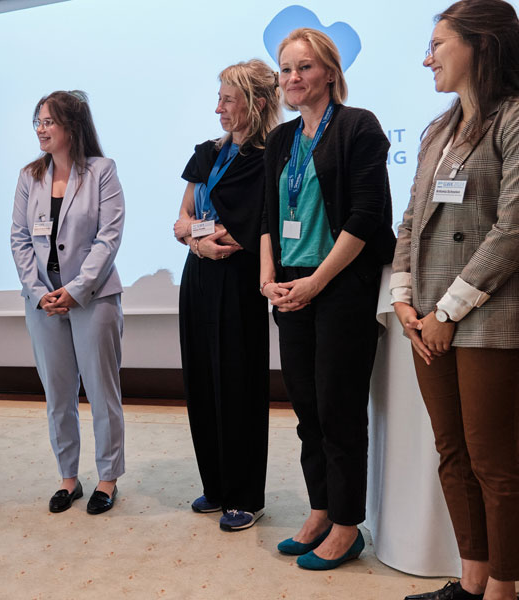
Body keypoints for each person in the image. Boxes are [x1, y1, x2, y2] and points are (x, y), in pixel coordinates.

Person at [391, 2, 519, 598]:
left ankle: (503, 587)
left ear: (482, 45)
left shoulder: (514, 118)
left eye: (438, 43)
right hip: (427, 319)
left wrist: (446, 312)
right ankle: (470, 582)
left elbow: (513, 228)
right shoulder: (438, 130)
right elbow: (412, 219)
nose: (426, 57)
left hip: (489, 317)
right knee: (453, 453)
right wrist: (404, 299)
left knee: (495, 464)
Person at [259, 29, 395, 570]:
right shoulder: (280, 140)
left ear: (330, 72)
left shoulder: (358, 126)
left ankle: (346, 524)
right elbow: (270, 216)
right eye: (286, 69)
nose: (293, 78)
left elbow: (366, 216)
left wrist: (316, 283)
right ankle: (319, 510)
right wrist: (268, 278)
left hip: (339, 289)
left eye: (305, 67)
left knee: (338, 411)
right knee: (306, 410)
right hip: (289, 287)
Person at [173, 60, 279, 531]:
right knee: (201, 381)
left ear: (256, 104)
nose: (218, 108)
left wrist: (203, 234)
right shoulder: (207, 152)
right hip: (198, 275)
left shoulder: (269, 155)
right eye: (218, 98)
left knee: (239, 385)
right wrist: (199, 239)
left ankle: (246, 496)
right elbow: (183, 219)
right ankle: (215, 486)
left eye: (227, 100)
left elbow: (244, 231)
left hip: (239, 281)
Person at [10, 90, 125, 515]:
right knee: (58, 395)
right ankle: (69, 478)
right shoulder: (29, 176)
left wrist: (76, 290)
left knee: (101, 392)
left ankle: (108, 478)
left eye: (49, 122)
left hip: (93, 299)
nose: (41, 129)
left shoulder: (102, 172)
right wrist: (40, 294)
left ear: (72, 126)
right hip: (43, 303)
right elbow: (19, 239)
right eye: (37, 122)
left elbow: (108, 238)